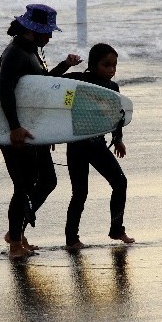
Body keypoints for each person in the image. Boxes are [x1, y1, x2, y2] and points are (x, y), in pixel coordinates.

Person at [0, 3, 82, 259]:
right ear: (31, 30)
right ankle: (15, 243)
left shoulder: (31, 51)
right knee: (23, 186)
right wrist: (14, 127)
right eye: (47, 31)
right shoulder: (15, 54)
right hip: (18, 132)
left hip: (34, 130)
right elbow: (4, 91)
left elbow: (42, 86)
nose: (50, 36)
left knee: (47, 181)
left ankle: (17, 232)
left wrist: (64, 66)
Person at [62, 43, 134, 250]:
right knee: (80, 193)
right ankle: (71, 239)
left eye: (114, 65)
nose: (111, 70)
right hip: (76, 145)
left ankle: (117, 229)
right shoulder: (77, 81)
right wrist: (50, 134)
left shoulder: (113, 88)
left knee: (120, 183)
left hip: (97, 145)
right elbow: (52, 93)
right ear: (93, 65)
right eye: (106, 65)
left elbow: (116, 116)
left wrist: (118, 139)